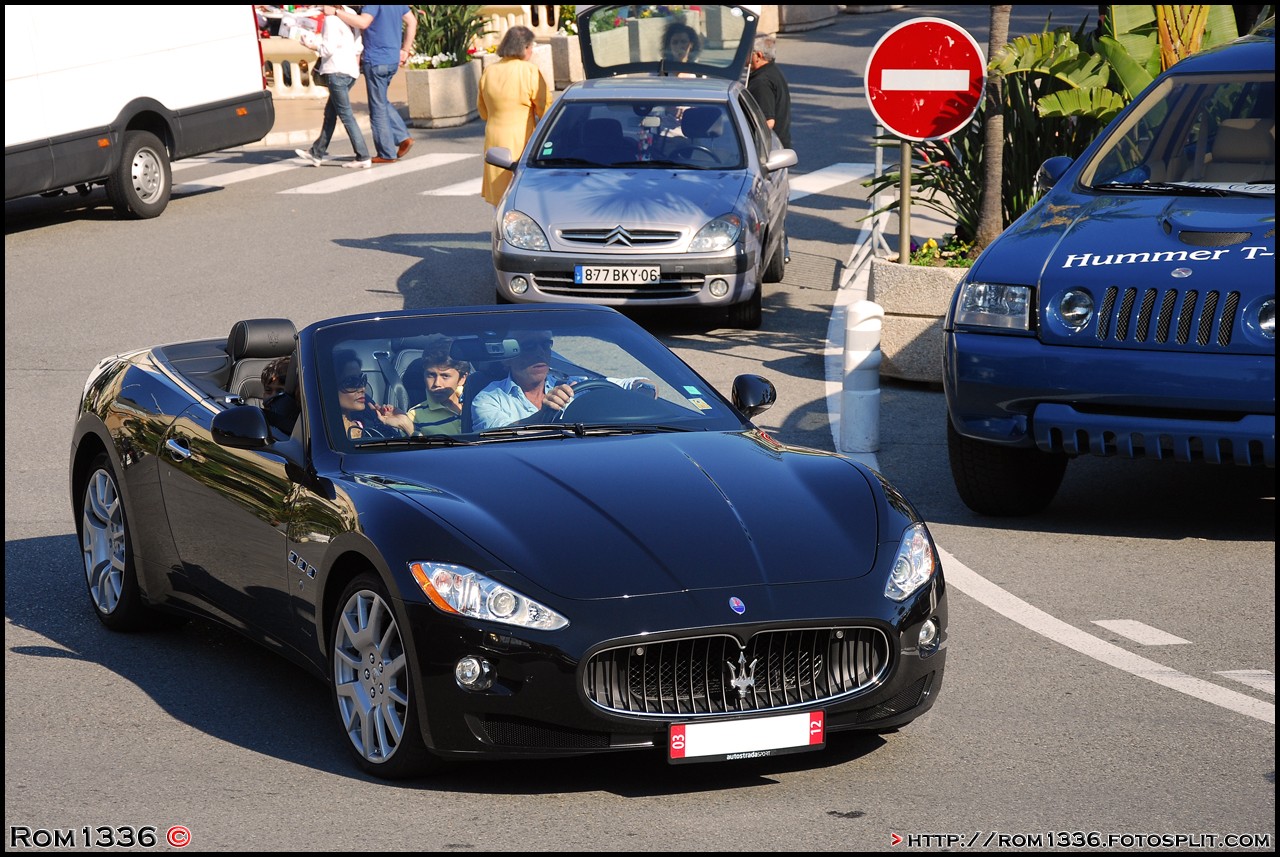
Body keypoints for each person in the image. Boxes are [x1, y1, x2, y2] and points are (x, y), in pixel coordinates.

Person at [470, 330, 655, 431]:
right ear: (507, 358)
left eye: (545, 345)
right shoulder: (488, 399)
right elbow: (498, 436)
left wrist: (642, 389)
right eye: (528, 346)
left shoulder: (573, 384)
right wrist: (544, 415)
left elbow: (633, 383)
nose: (540, 353)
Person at [333, 5, 416, 164]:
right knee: (381, 100)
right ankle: (402, 137)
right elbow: (412, 21)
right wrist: (405, 49)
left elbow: (363, 22)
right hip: (392, 59)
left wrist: (337, 12)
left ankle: (386, 153)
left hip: (377, 60)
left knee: (377, 107)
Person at [477, 26, 550, 206]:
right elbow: (545, 108)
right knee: (520, 193)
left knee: (500, 196)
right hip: (521, 138)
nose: (531, 51)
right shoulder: (529, 71)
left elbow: (483, 111)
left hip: (494, 137)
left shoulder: (489, 71)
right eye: (531, 47)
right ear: (524, 47)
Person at [294, 5, 372, 169]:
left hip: (336, 71)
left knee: (346, 116)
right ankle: (317, 152)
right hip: (350, 71)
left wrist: (311, 45)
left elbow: (327, 49)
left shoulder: (331, 19)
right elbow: (358, 46)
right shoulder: (349, 13)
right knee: (330, 113)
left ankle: (363, 155)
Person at [334, 350, 408, 439]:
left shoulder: (371, 423)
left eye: (362, 380)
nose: (362, 389)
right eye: (352, 382)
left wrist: (404, 423)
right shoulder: (321, 436)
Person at [403, 348, 471, 435]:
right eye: (431, 375)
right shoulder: (414, 416)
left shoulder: (476, 402)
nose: (437, 383)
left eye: (445, 376)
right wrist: (408, 427)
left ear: (462, 378)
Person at [747, 34, 792, 149]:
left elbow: (767, 122)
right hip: (779, 144)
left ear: (758, 55)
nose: (746, 57)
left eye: (749, 53)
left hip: (770, 150)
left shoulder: (761, 82)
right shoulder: (773, 72)